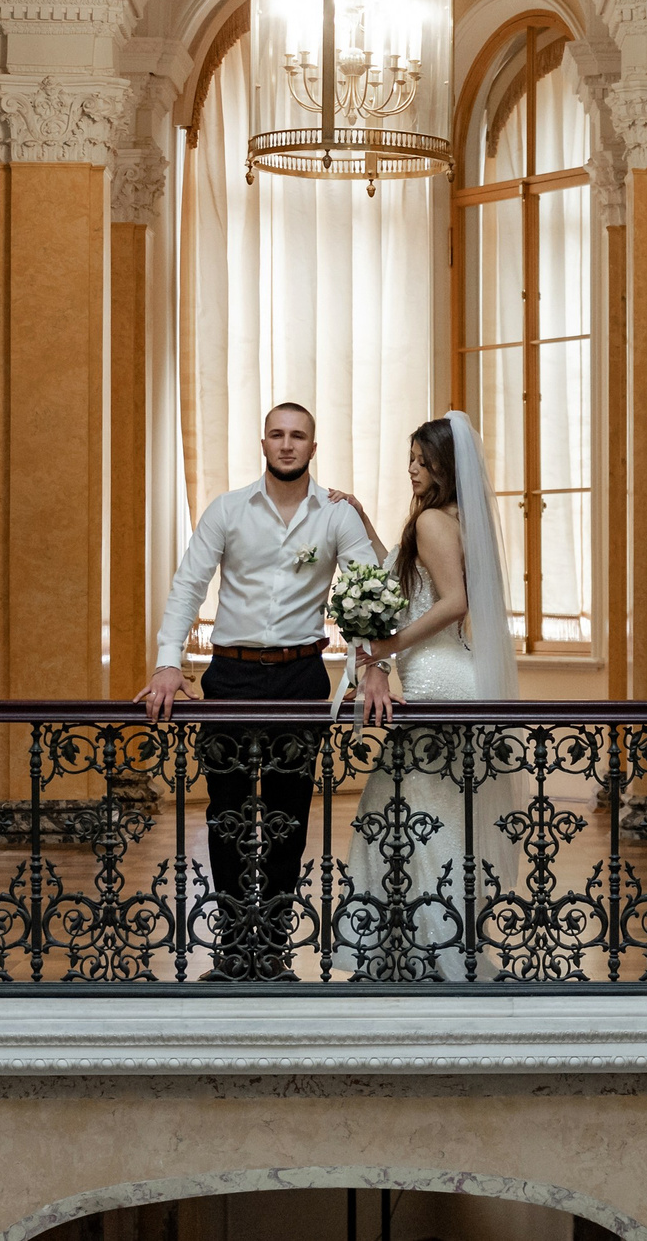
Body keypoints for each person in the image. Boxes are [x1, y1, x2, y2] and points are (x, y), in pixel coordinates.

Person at [141, 402, 379, 979]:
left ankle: (271, 944)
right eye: (278, 434)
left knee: (288, 816)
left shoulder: (336, 516)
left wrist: (373, 668)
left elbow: (371, 595)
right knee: (225, 814)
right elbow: (186, 588)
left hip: (301, 679)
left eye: (299, 436)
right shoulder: (226, 510)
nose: (288, 444)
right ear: (263, 443)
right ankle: (231, 942)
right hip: (230, 677)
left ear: (313, 448)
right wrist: (168, 665)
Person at [330, 411, 520, 981]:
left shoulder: (436, 520)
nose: (412, 469)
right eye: (409, 460)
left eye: (421, 459)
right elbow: (406, 576)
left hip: (439, 679)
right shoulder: (454, 519)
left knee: (402, 814)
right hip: (454, 672)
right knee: (426, 814)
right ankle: (431, 944)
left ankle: (423, 949)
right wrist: (362, 518)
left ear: (445, 463)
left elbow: (453, 602)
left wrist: (384, 647)